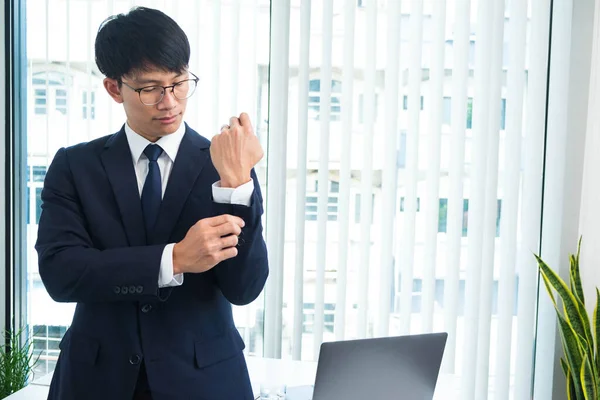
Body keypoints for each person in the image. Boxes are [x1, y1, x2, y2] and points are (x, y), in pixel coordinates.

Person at [35, 7, 268, 400]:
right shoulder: (76, 166)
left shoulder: (225, 160)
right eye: (150, 88)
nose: (170, 101)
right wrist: (173, 259)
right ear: (114, 88)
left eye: (179, 83)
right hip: (96, 382)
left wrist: (237, 186)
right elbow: (62, 274)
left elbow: (245, 288)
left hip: (205, 383)